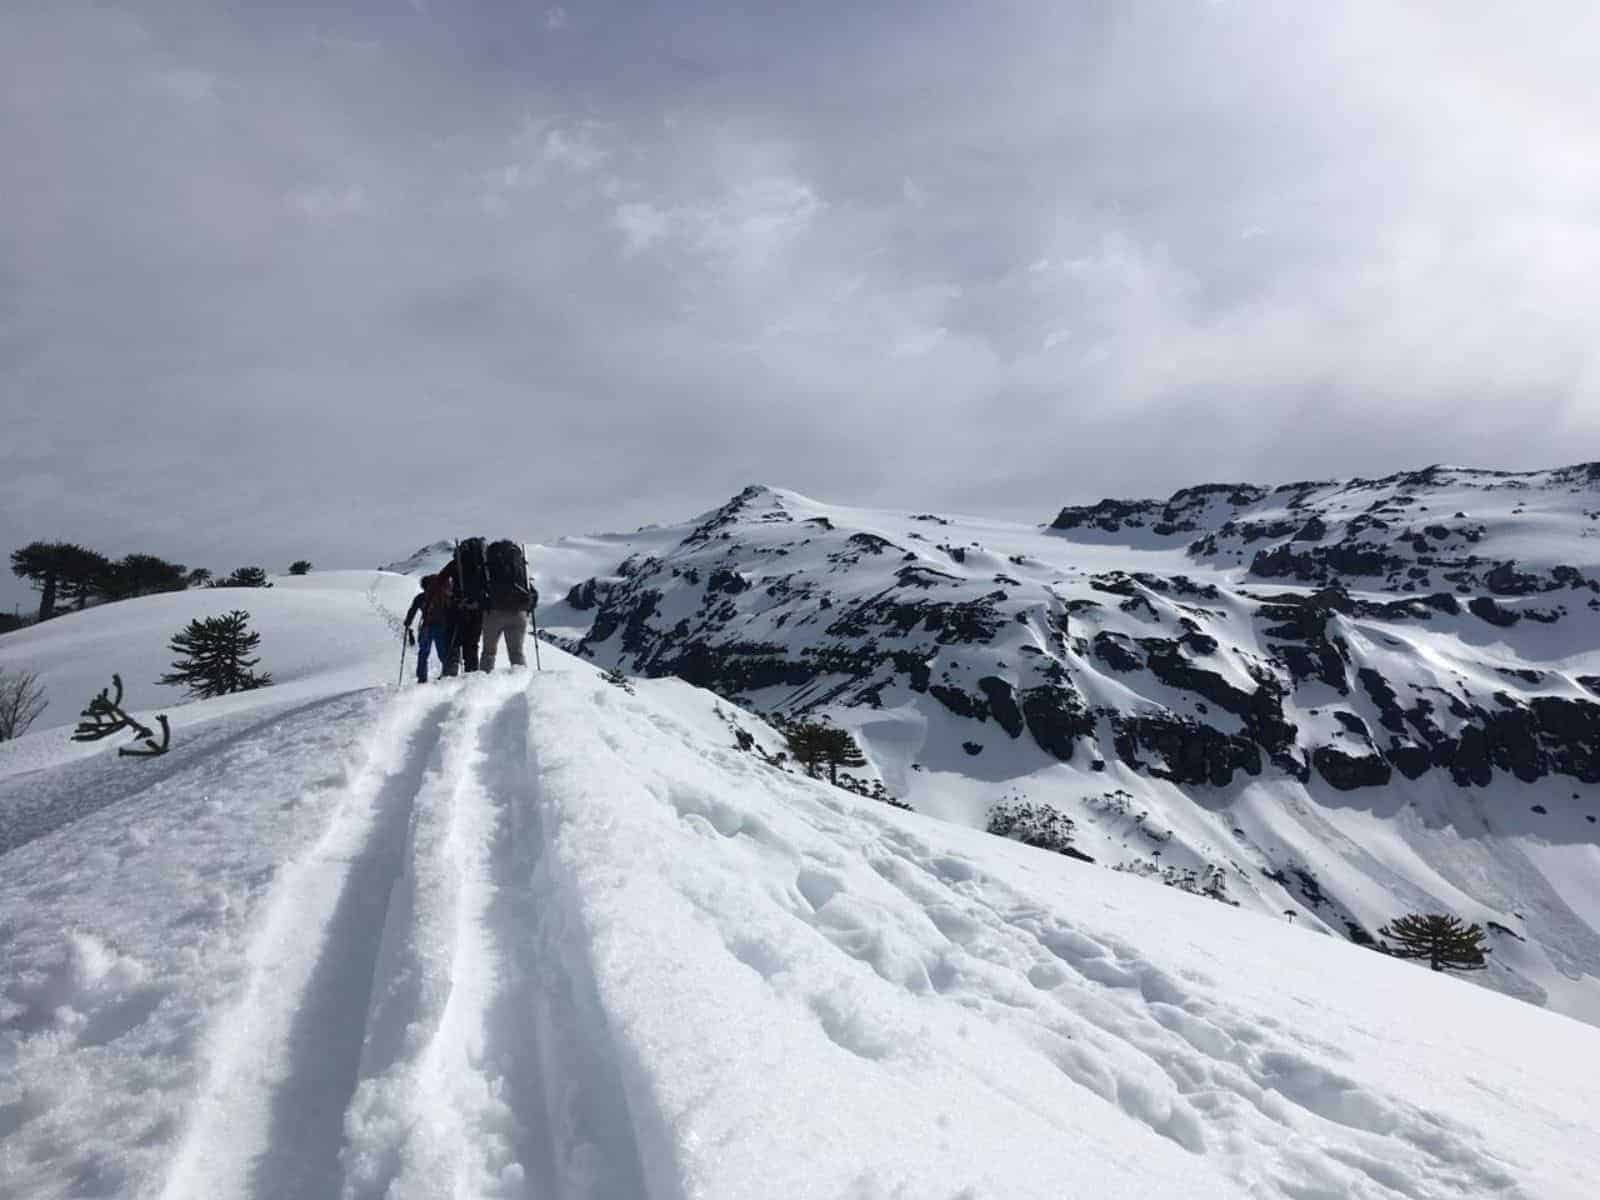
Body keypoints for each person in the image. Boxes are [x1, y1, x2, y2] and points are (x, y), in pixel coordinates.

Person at [403, 573, 453, 683]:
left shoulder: (421, 597)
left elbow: (412, 611)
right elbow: (450, 611)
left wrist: (407, 623)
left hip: (426, 627)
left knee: (423, 653)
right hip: (441, 627)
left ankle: (422, 678)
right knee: (443, 652)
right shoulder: (444, 596)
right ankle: (447, 674)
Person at [437, 558, 483, 676]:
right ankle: (471, 679)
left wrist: (450, 596)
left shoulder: (456, 563)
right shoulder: (482, 562)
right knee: (472, 646)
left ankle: (449, 679)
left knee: (453, 645)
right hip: (477, 611)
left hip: (457, 609)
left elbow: (440, 580)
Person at [481, 581, 536, 671]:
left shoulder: (487, 566)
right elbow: (532, 592)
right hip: (519, 612)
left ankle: (485, 681)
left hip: (494, 612)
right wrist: (528, 609)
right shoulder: (521, 566)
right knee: (516, 652)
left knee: (488, 652)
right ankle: (520, 680)